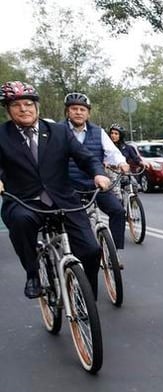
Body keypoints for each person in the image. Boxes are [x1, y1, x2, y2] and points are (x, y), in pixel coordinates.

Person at [0, 81, 110, 299]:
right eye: (17, 105)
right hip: (24, 200)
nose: (24, 109)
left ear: (37, 107)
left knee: (91, 250)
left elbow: (85, 157)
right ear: (8, 109)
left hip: (64, 200)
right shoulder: (2, 135)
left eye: (29, 104)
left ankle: (86, 294)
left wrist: (98, 173)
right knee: (21, 222)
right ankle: (33, 274)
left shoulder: (59, 132)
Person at [63, 92, 129, 259]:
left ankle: (113, 252)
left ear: (88, 113)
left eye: (82, 109)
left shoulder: (98, 132)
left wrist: (121, 162)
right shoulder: (58, 131)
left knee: (118, 211)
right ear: (67, 112)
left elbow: (112, 152)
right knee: (76, 224)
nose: (78, 112)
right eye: (74, 109)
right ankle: (76, 255)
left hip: (96, 184)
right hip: (70, 187)